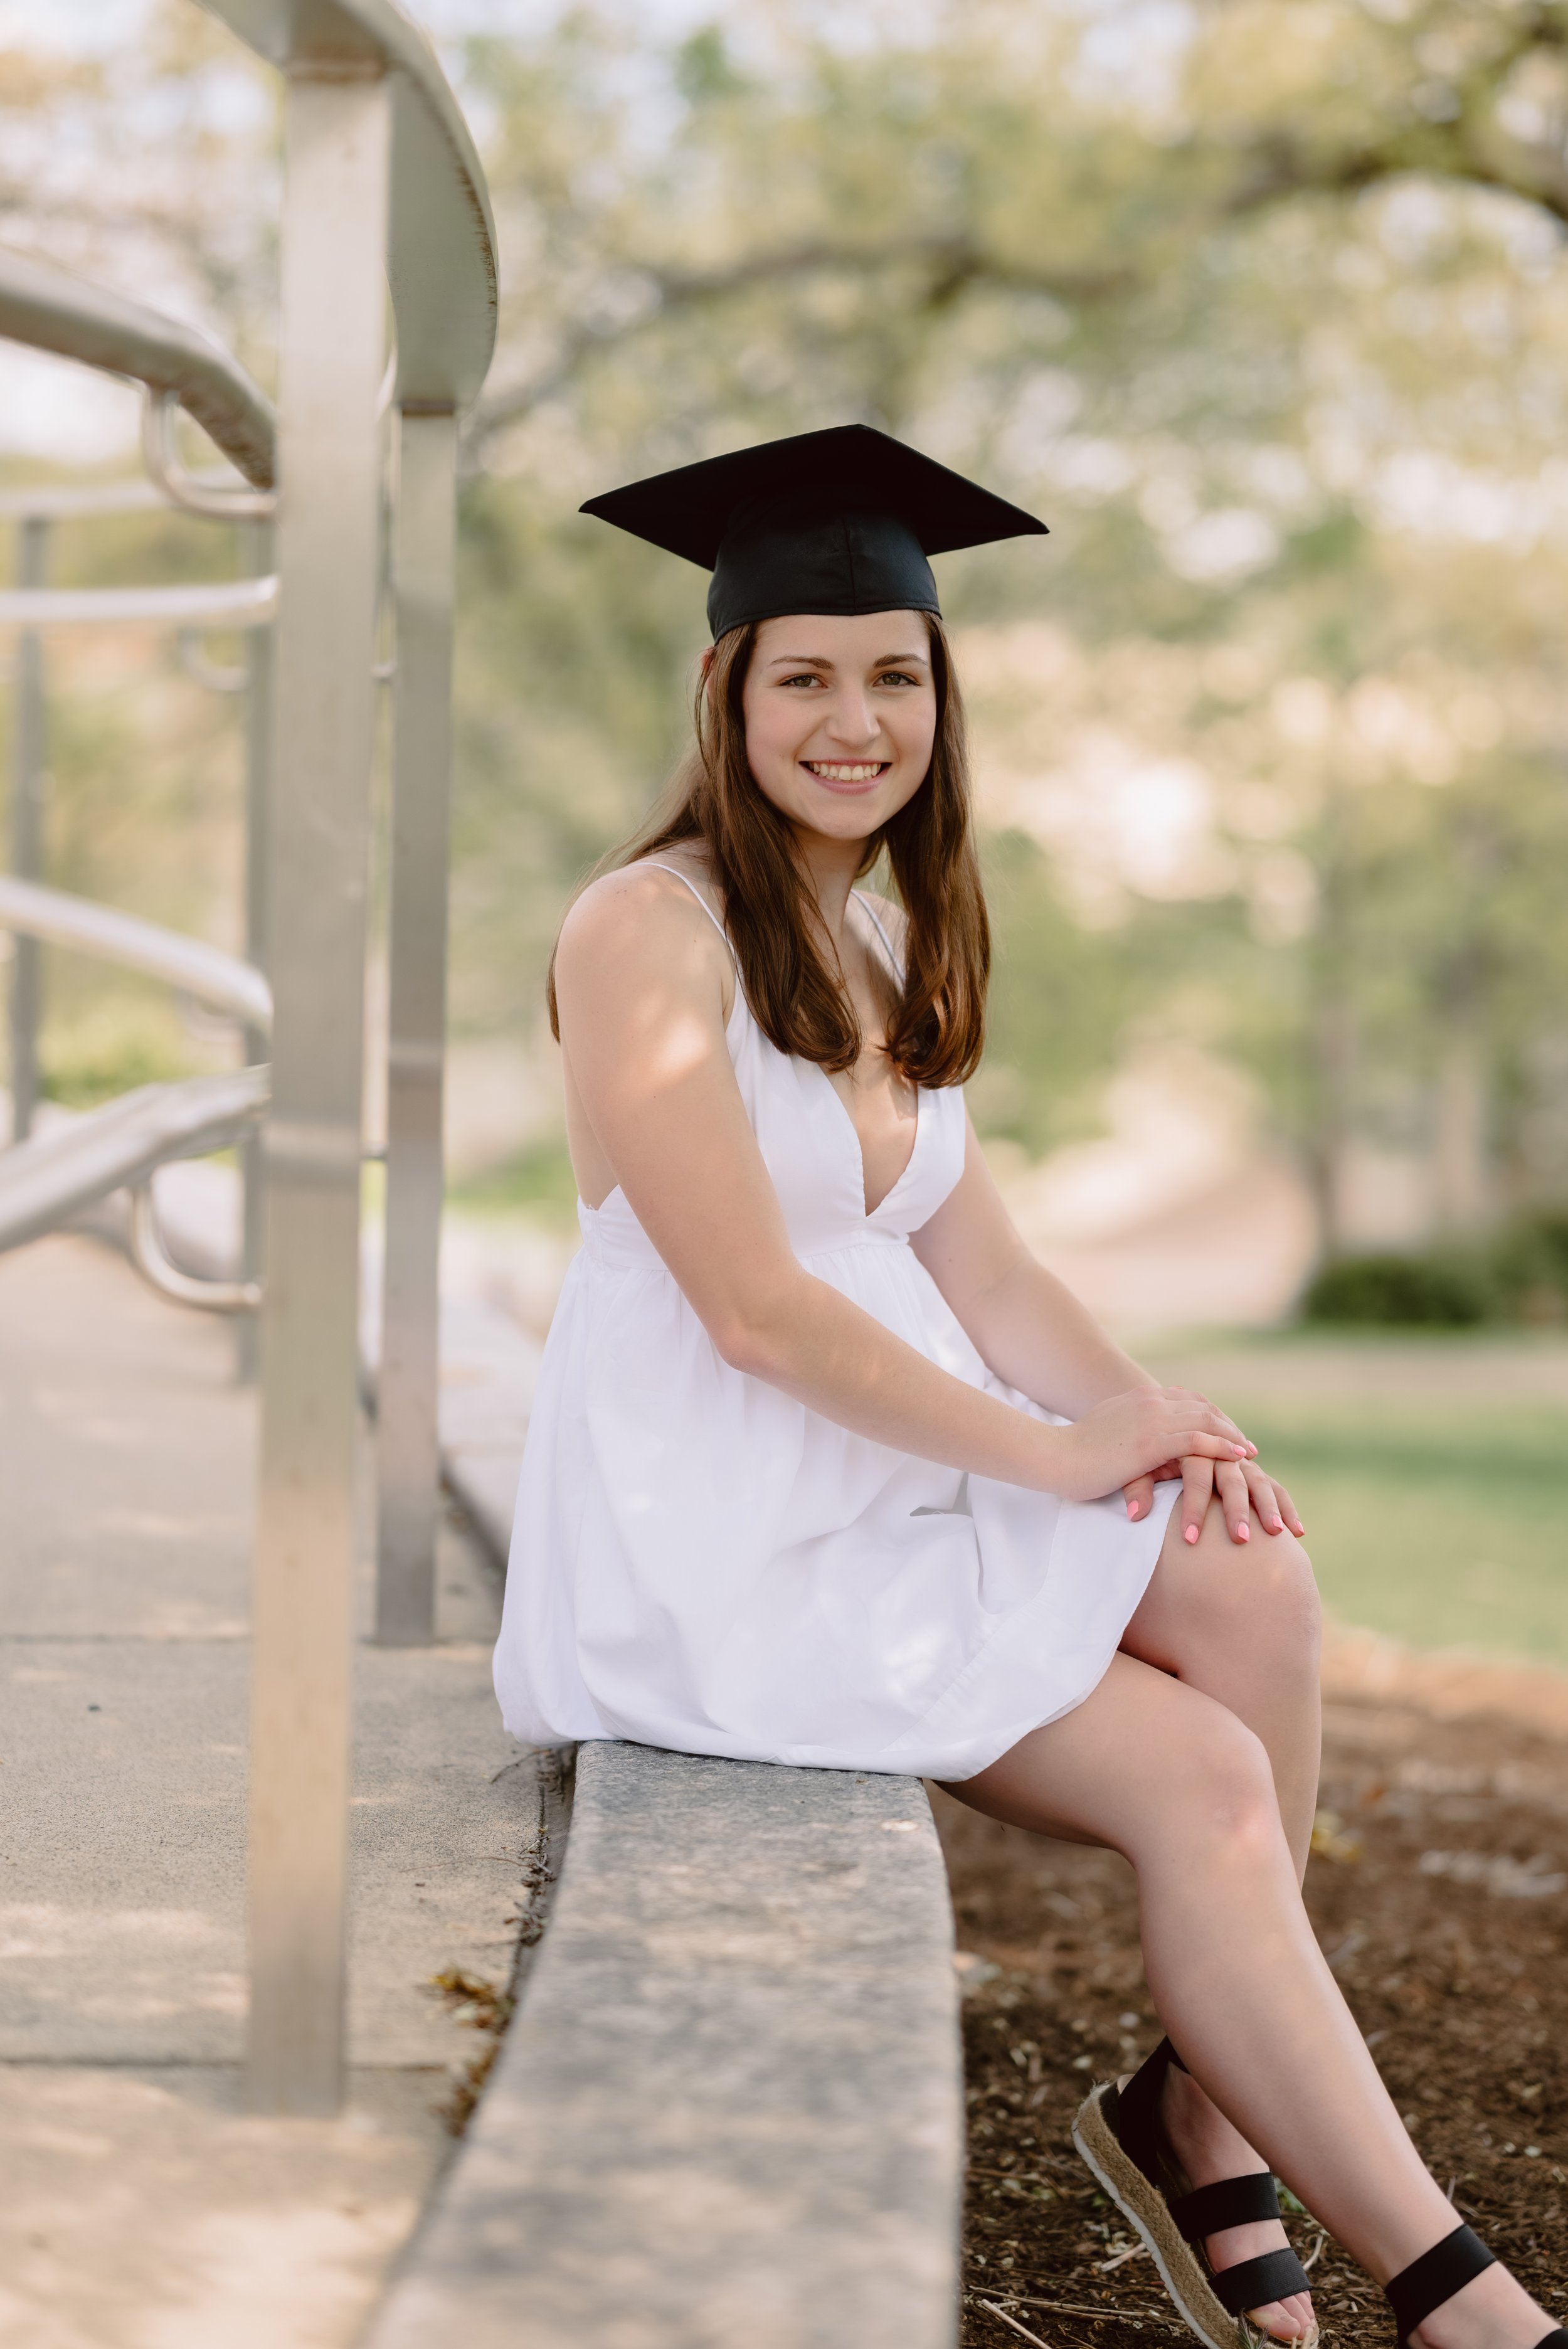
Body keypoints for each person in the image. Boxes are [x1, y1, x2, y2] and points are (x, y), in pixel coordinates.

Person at [493, 424, 1562, 2349]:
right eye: (803, 676)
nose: (853, 720)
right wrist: (1063, 1453)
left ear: (940, 698)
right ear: (725, 687)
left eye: (892, 675)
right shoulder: (643, 929)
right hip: (730, 1543)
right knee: (1211, 1780)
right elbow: (756, 1312)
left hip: (878, 1480)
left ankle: (1202, 2107)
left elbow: (982, 1264)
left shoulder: (880, 935)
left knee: (1249, 1572)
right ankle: (1455, 2291)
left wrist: (1163, 1425)